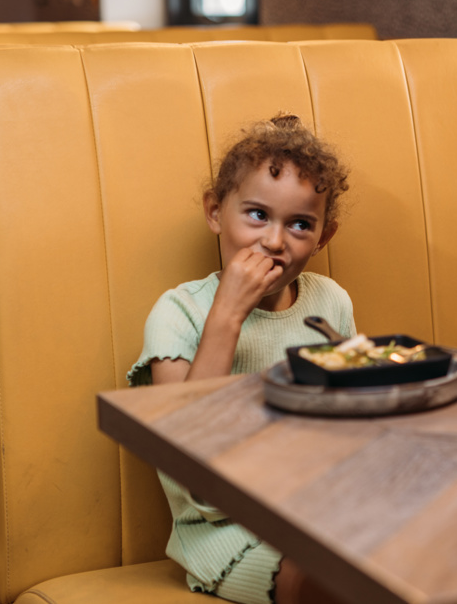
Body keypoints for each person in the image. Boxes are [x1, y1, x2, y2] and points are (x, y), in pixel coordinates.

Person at [128, 114, 354, 604]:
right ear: (215, 212)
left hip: (318, 510)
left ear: (324, 236)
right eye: (257, 215)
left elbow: (349, 424)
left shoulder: (330, 302)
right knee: (330, 582)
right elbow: (191, 470)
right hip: (226, 531)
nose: (274, 241)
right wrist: (228, 313)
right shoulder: (178, 314)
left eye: (299, 224)